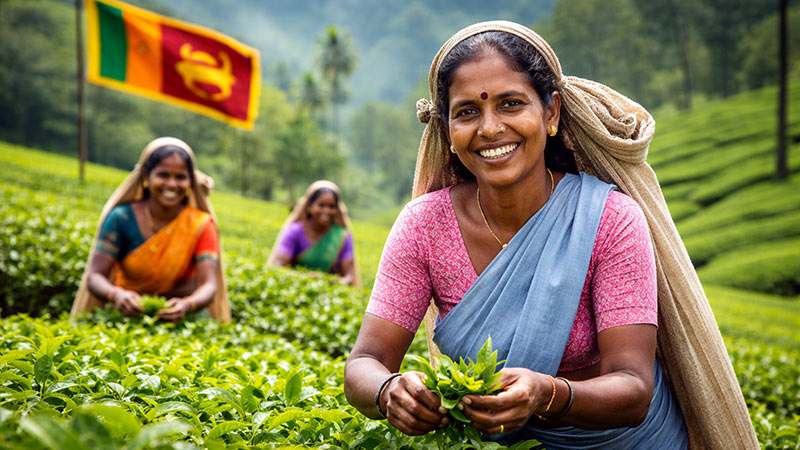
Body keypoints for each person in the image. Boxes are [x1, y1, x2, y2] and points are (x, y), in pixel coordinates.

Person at [344, 21, 756, 449]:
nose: (489, 128)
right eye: (467, 112)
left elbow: (633, 388)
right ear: (447, 131)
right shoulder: (425, 226)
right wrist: (387, 390)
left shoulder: (609, 220)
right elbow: (365, 362)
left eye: (510, 104)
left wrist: (548, 393)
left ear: (551, 112)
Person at [71, 137, 230, 322]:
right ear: (146, 176)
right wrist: (117, 295)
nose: (171, 184)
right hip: (125, 315)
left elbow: (209, 285)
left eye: (180, 177)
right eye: (163, 175)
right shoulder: (121, 218)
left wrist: (187, 305)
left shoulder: (201, 224)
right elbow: (95, 276)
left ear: (190, 181)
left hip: (183, 319)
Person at [267, 180, 360, 287]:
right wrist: (306, 278)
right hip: (293, 287)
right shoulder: (294, 231)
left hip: (329, 292)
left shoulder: (342, 236)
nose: (326, 211)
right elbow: (278, 267)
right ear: (309, 206)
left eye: (331, 206)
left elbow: (349, 277)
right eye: (321, 205)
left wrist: (327, 281)